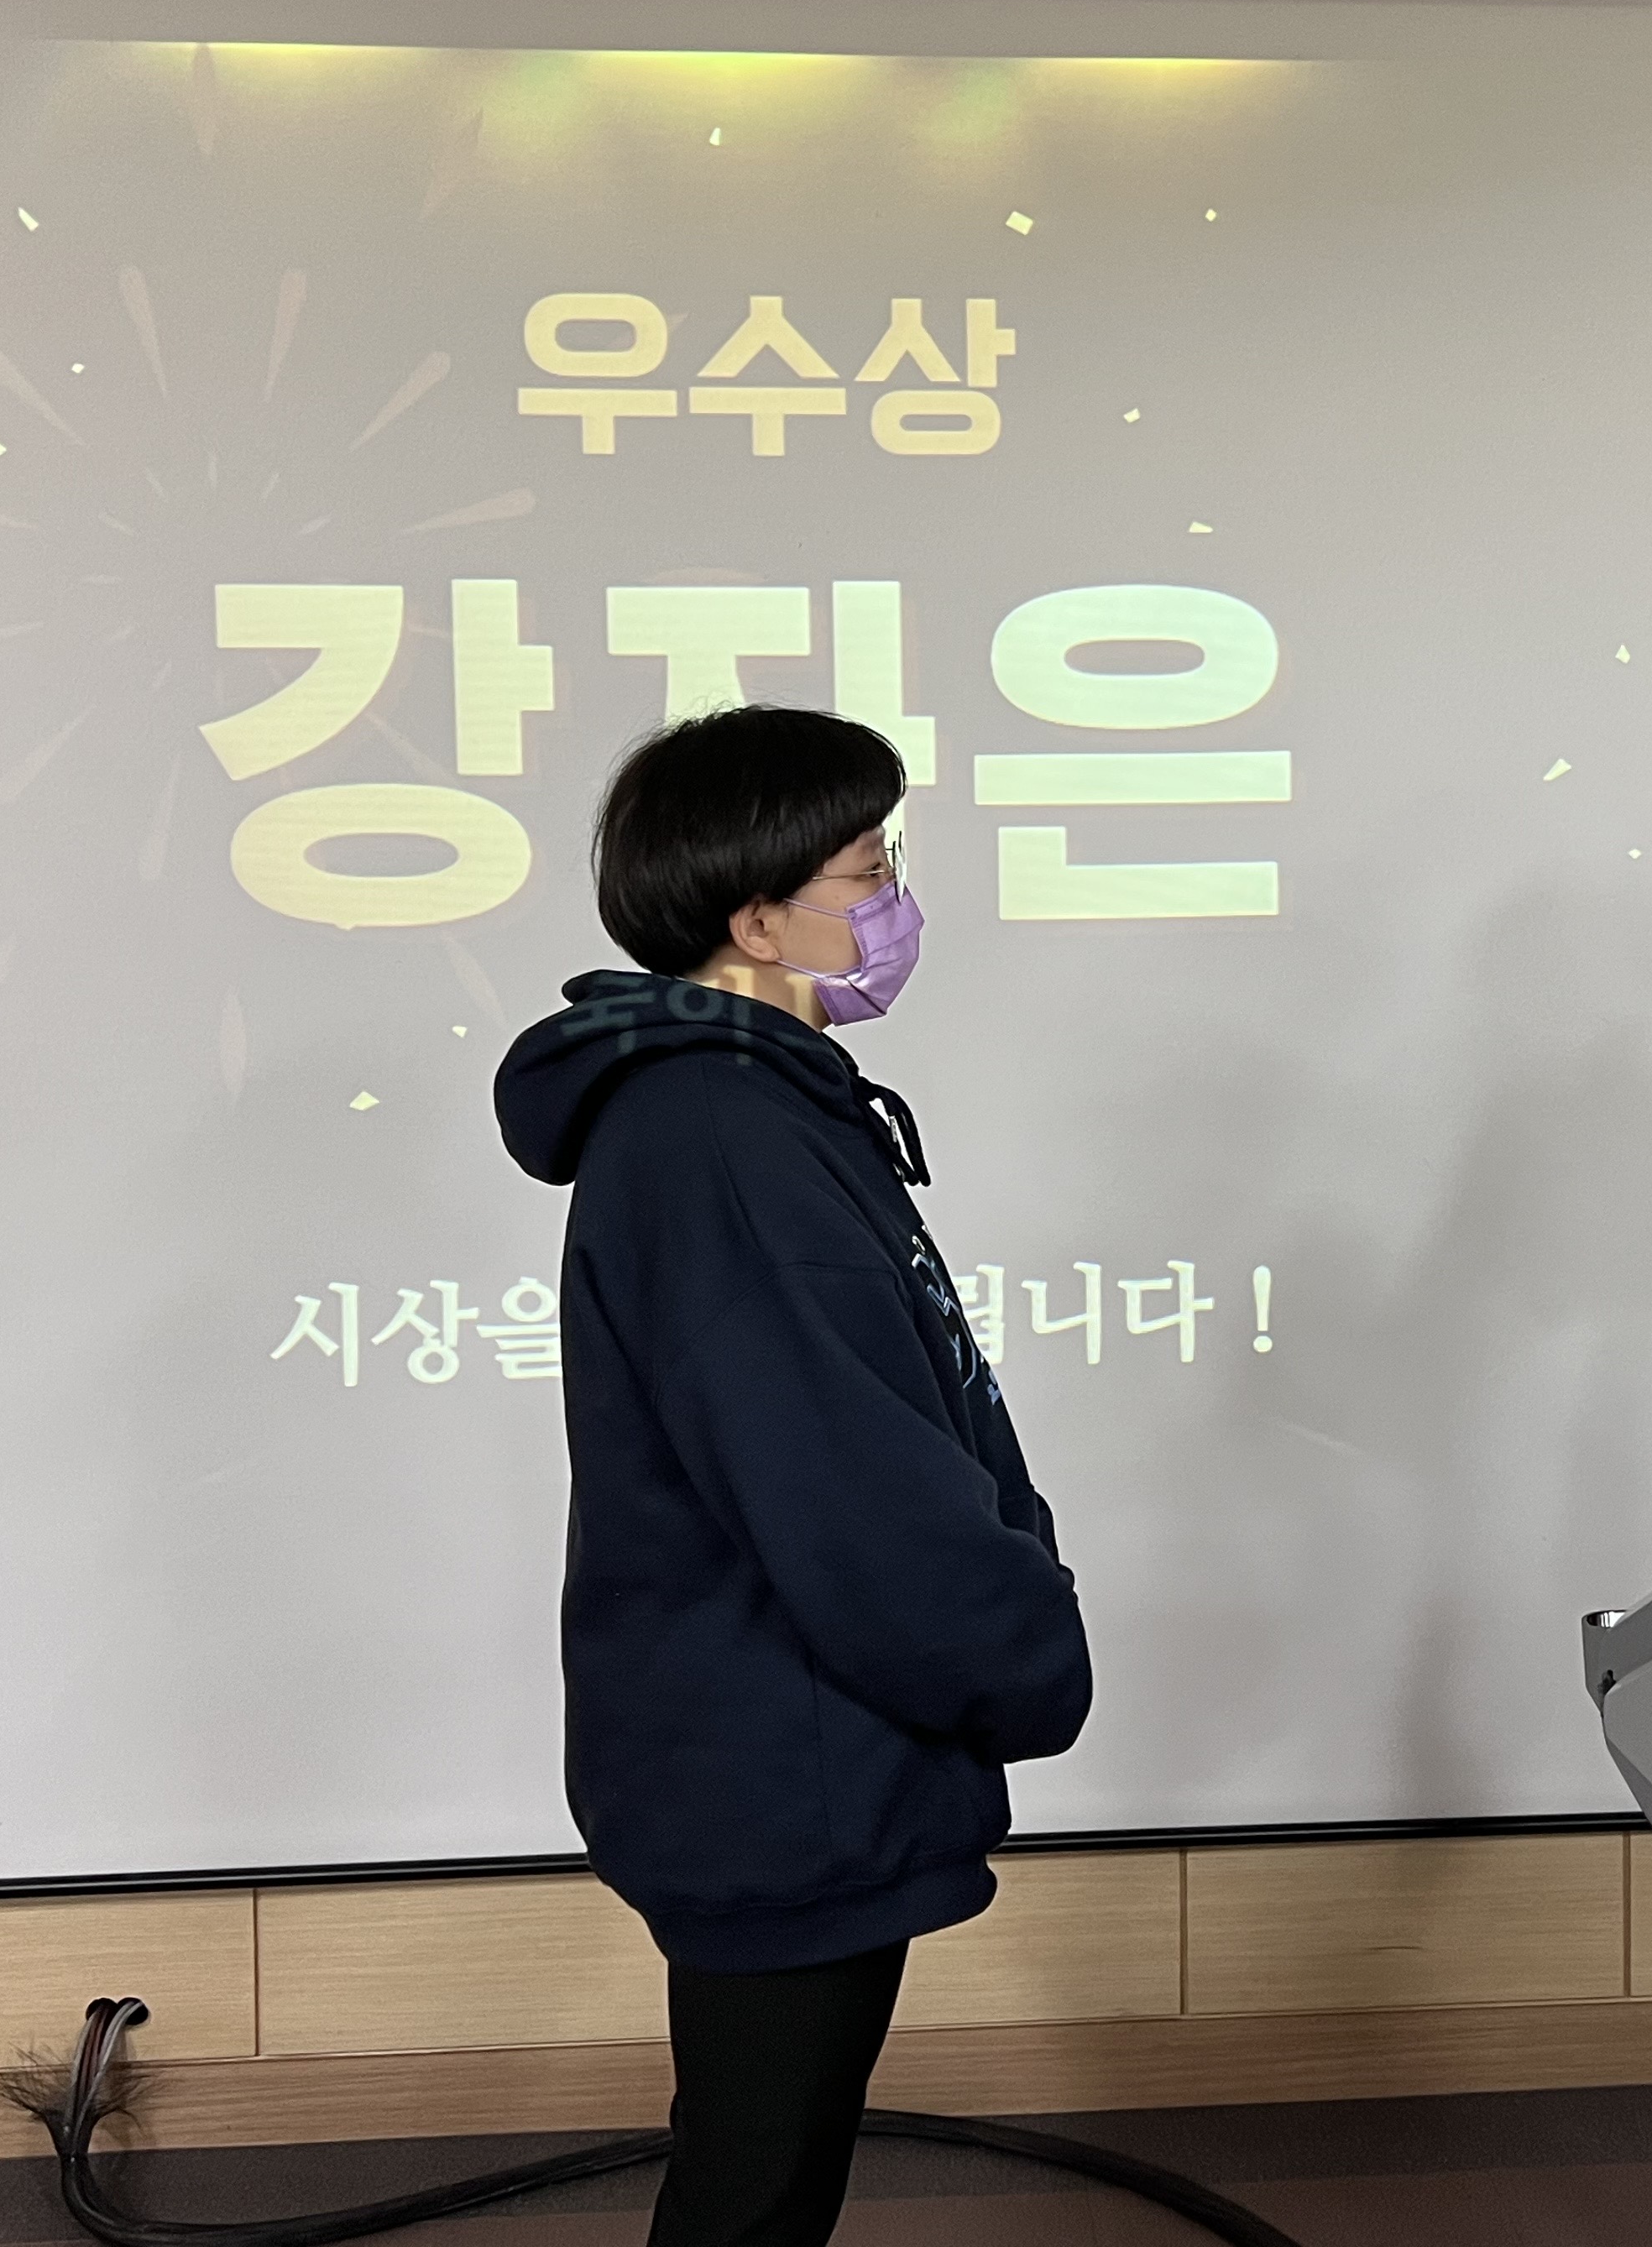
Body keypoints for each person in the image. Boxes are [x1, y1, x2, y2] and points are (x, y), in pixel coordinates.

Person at [493, 705, 1090, 2247]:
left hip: (793, 1751)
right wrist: (1024, 1657)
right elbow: (848, 1487)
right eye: (868, 870)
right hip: (782, 1766)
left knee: (763, 2174)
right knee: (752, 2194)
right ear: (757, 919)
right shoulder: (718, 1133)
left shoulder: (761, 1105)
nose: (896, 901)